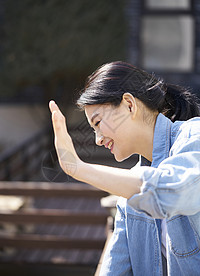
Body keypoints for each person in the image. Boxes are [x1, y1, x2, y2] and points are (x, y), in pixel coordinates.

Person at [49, 61, 200, 276]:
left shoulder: (194, 136)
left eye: (98, 123)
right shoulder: (127, 199)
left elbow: (170, 191)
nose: (98, 140)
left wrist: (77, 169)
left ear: (129, 104)